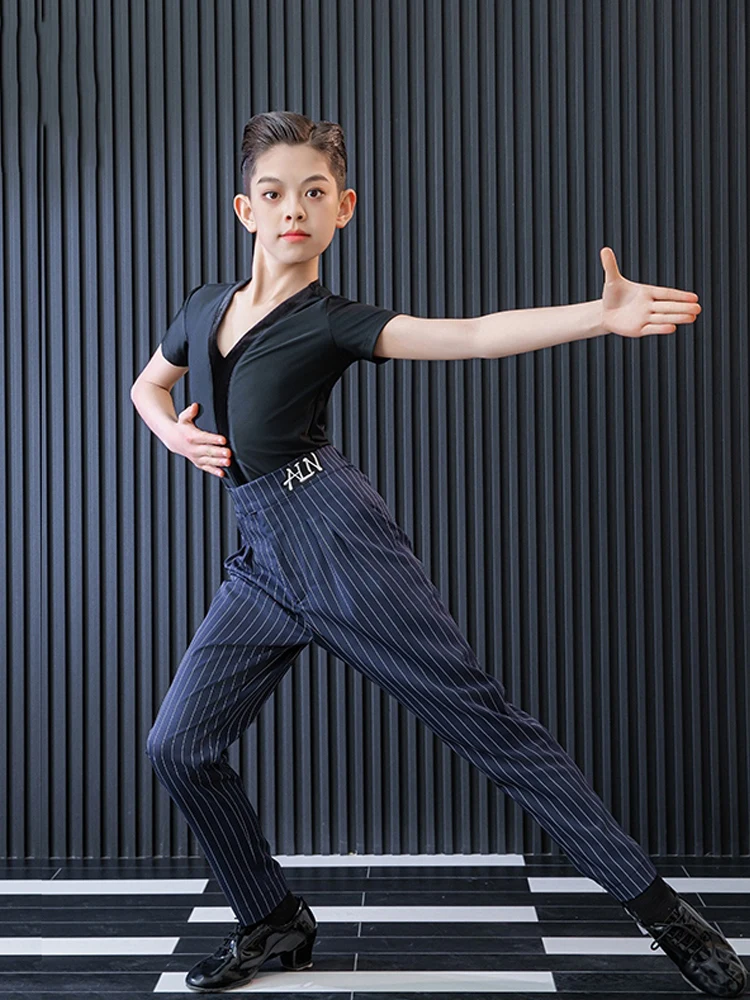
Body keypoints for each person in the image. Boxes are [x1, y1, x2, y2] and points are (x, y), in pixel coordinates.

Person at [130, 110, 746, 997]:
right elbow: (150, 385)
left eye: (313, 193)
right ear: (244, 208)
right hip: (262, 557)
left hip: (339, 539)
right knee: (179, 744)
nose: (292, 209)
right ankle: (273, 921)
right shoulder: (202, 309)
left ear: (344, 209)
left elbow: (474, 333)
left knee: (488, 730)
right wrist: (175, 438)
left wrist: (599, 316)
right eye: (274, 194)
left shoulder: (333, 322)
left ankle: (666, 917)